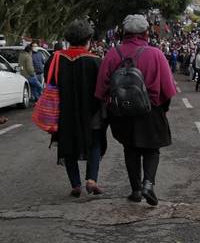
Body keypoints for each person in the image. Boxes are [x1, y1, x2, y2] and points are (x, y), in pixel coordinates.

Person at [96, 14, 176, 206]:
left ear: (124, 32)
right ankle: (148, 184)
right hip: (150, 109)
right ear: (146, 33)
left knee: (130, 149)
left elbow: (101, 88)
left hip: (122, 113)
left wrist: (111, 106)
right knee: (152, 150)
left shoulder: (113, 53)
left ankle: (136, 190)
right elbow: (168, 87)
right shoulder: (155, 54)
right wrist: (162, 108)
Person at [44, 19, 106, 197]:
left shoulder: (55, 59)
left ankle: (75, 184)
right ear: (88, 39)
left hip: (63, 112)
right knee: (95, 143)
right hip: (91, 112)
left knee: (67, 145)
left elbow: (49, 81)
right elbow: (102, 89)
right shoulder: (95, 61)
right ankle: (91, 180)